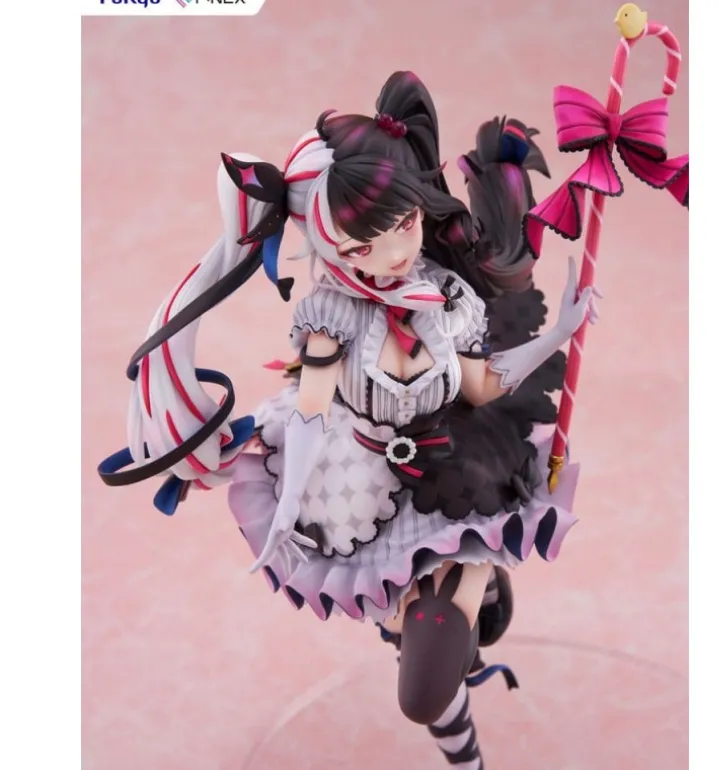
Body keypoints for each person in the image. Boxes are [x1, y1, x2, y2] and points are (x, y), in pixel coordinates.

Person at [98, 70, 599, 770]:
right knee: (412, 649)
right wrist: (286, 509)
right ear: (329, 244)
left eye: (404, 225)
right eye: (364, 246)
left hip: (458, 466)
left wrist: (558, 336)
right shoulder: (331, 316)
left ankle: (468, 614)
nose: (393, 254)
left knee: (431, 663)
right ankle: (464, 729)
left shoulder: (447, 297)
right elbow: (310, 413)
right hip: (359, 475)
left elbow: (482, 383)